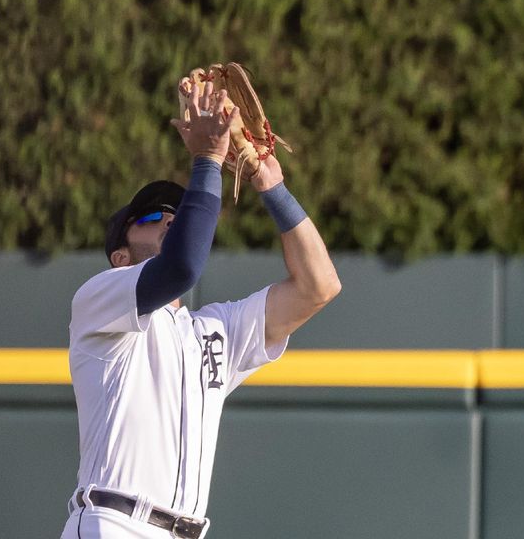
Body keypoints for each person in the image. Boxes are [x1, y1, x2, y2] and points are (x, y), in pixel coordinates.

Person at [61, 82, 341, 539]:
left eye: (176, 211)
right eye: (151, 217)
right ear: (120, 258)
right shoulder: (100, 301)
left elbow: (319, 286)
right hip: (112, 523)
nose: (169, 217)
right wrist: (208, 158)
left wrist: (272, 187)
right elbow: (183, 266)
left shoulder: (213, 333)